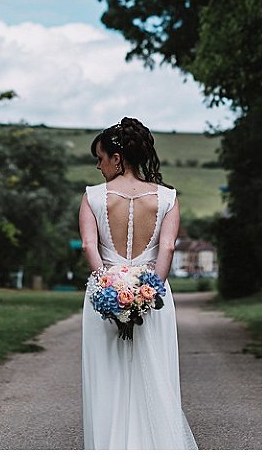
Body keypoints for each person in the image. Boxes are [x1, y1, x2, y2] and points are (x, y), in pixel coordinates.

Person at [78, 117, 198, 450]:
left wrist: (109, 289)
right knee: (155, 377)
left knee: (108, 380)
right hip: (152, 297)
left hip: (103, 298)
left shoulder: (92, 197)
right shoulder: (168, 198)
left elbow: (90, 247)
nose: (99, 167)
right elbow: (169, 248)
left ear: (117, 158)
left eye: (101, 158)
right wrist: (147, 296)